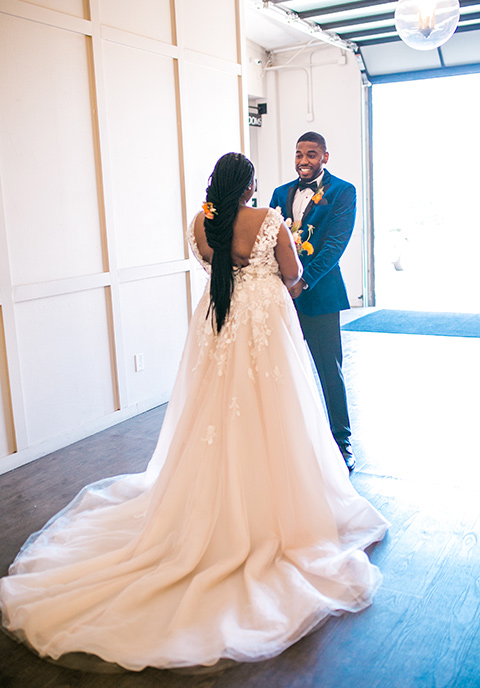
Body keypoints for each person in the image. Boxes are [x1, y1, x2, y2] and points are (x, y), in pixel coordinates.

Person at [0, 153, 388, 673]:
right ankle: (276, 507)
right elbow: (292, 275)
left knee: (214, 411)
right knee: (278, 410)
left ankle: (208, 501)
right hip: (265, 326)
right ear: (250, 183)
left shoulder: (200, 224)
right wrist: (281, 284)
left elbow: (212, 265)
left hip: (218, 322)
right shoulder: (270, 220)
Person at [270, 132, 357, 472]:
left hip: (320, 294)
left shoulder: (342, 192)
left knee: (328, 371)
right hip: (281, 297)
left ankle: (341, 442)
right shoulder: (279, 194)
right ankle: (291, 441)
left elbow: (335, 245)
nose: (303, 160)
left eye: (311, 154)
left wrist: (303, 281)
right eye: (298, 154)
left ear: (325, 156)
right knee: (284, 369)